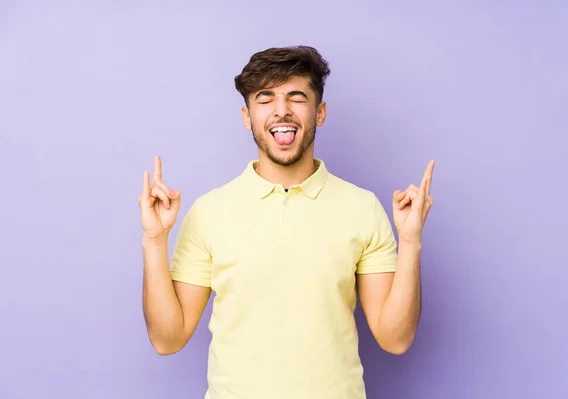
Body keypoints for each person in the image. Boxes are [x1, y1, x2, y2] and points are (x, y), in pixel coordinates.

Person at [138, 45, 435, 399]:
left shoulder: (363, 208)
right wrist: (154, 240)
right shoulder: (209, 212)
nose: (282, 111)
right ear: (247, 116)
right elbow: (167, 339)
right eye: (266, 98)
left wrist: (411, 242)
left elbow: (395, 339)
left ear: (320, 112)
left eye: (296, 97)